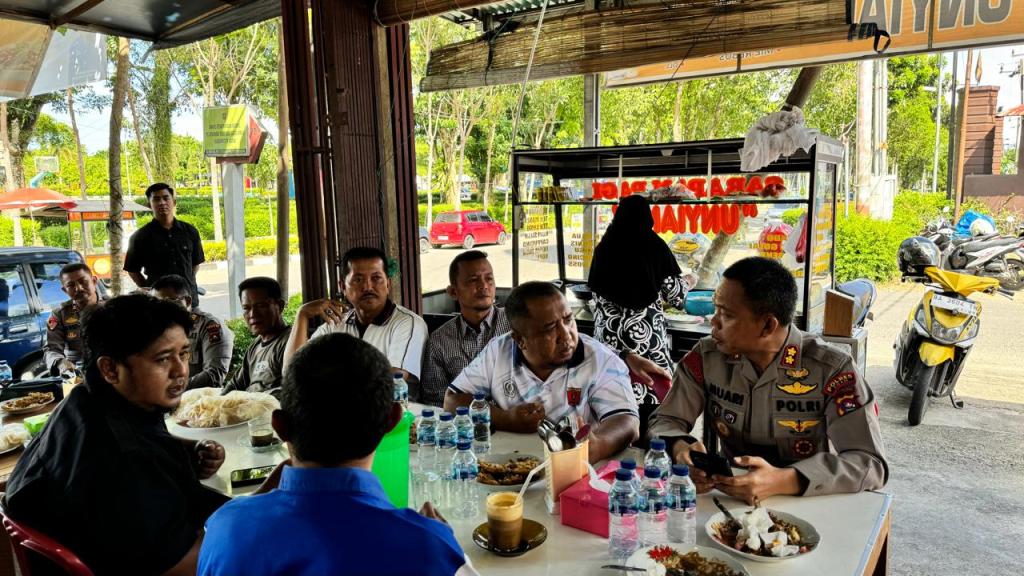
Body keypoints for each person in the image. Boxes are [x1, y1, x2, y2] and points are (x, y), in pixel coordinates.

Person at [198, 333, 477, 576]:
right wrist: (439, 539)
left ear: (279, 426)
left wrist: (249, 502)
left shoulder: (224, 529)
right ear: (392, 421)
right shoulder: (428, 549)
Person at [4, 294, 230, 575]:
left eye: (183, 353)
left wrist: (184, 448)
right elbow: (184, 566)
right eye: (162, 359)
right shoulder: (126, 462)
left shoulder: (83, 401)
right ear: (110, 369)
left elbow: (134, 441)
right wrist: (263, 507)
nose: (180, 370)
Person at [648, 257, 887, 504]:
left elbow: (869, 463)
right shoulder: (706, 358)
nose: (713, 321)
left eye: (726, 315)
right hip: (729, 497)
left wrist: (782, 480)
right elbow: (664, 420)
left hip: (808, 501)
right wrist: (680, 447)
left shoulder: (831, 370)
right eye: (716, 309)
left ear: (767, 326)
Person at [445, 281, 639, 464]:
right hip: (513, 464)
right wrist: (505, 419)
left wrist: (598, 445)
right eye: (550, 329)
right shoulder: (498, 352)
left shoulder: (600, 359)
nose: (566, 335)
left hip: (581, 469)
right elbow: (453, 399)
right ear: (520, 340)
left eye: (568, 320)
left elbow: (626, 421)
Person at [588, 194, 696, 403]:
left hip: (609, 339)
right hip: (646, 339)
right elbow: (675, 295)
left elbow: (594, 288)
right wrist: (690, 281)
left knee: (610, 394)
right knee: (650, 388)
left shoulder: (605, 246)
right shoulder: (654, 245)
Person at [284, 247, 427, 384]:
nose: (368, 287)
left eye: (376, 278)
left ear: (388, 284)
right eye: (358, 280)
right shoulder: (336, 324)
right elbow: (291, 373)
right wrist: (302, 315)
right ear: (343, 287)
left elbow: (393, 381)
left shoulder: (407, 323)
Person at [419, 251, 510, 406]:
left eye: (489, 279)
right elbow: (436, 401)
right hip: (462, 419)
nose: (484, 286)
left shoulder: (515, 325)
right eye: (473, 280)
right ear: (453, 292)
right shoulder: (439, 341)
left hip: (516, 418)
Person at [124, 183, 205, 306]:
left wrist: (188, 281)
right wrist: (151, 290)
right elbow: (133, 271)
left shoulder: (190, 231)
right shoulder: (140, 237)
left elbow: (195, 263)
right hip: (158, 304)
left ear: (174, 202)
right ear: (149, 205)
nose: (162, 203)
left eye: (166, 198)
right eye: (156, 199)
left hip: (189, 300)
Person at [152, 274, 234, 390]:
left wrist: (171, 389)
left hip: (198, 399)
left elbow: (214, 375)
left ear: (187, 301)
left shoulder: (209, 326)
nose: (161, 311)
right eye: (155, 305)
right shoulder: (158, 328)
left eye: (167, 303)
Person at [223, 277, 291, 396]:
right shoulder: (255, 346)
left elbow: (289, 391)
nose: (253, 314)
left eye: (261, 306)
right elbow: (235, 385)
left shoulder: (290, 342)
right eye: (246, 308)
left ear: (280, 306)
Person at [44, 262, 103, 375]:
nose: (78, 288)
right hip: (77, 372)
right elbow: (52, 349)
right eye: (71, 285)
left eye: (83, 282)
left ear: (94, 281)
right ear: (65, 290)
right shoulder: (59, 314)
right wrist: (61, 363)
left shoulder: (114, 307)